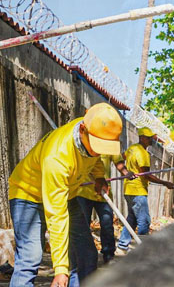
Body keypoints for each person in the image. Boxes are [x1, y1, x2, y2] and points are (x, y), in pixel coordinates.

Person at [8, 102, 123, 287]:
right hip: (28, 194)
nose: (100, 151)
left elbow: (95, 159)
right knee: (30, 259)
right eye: (98, 146)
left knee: (86, 254)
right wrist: (60, 269)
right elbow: (57, 216)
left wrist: (100, 176)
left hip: (67, 193)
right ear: (83, 130)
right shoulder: (57, 158)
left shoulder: (92, 130)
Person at [116, 127, 174, 252]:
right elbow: (146, 175)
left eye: (151, 138)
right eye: (148, 138)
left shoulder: (132, 149)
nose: (151, 140)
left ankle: (122, 244)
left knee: (131, 218)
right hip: (138, 191)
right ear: (141, 137)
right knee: (144, 221)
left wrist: (128, 171)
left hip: (128, 190)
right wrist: (164, 182)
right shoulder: (142, 153)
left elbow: (122, 157)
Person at [75, 153, 132, 264]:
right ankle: (82, 256)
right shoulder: (85, 146)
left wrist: (126, 173)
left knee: (107, 224)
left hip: (103, 193)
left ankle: (108, 254)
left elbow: (118, 162)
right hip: (83, 192)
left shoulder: (109, 146)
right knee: (83, 225)